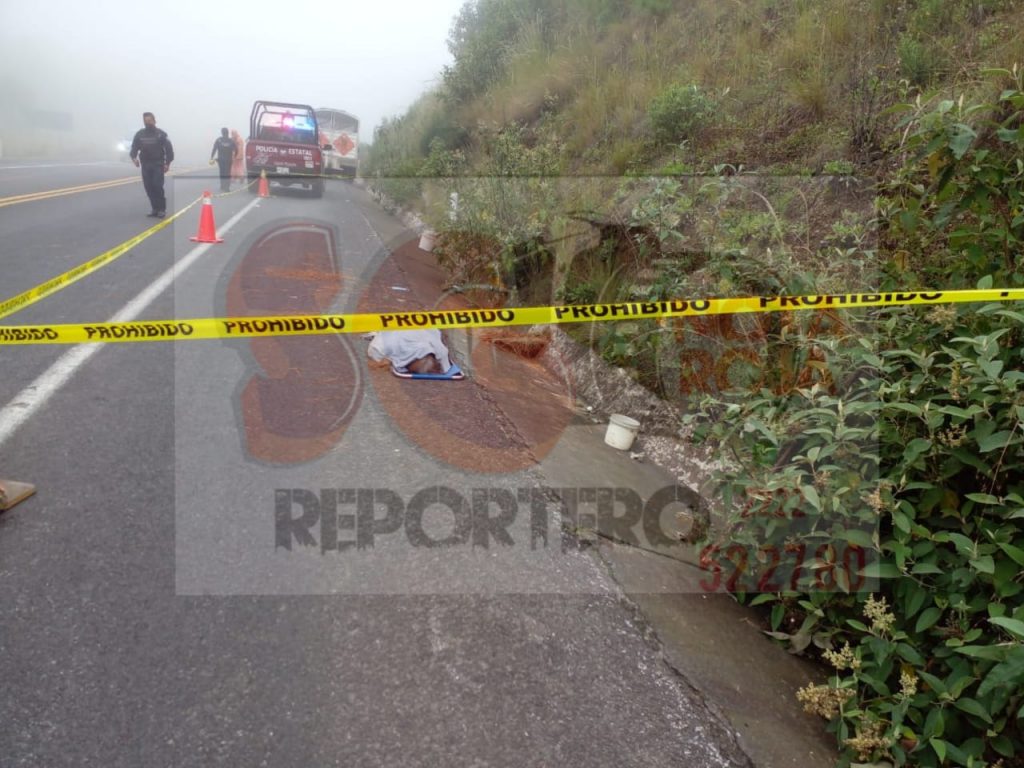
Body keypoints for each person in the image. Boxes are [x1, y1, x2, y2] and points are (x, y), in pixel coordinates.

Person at [130, 112, 174, 218]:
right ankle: (154, 209)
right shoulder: (140, 134)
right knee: (148, 187)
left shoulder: (161, 134)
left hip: (158, 164)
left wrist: (167, 163)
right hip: (145, 164)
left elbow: (169, 150)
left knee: (157, 186)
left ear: (154, 121)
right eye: (145, 121)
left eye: (149, 121)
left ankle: (161, 209)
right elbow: (134, 148)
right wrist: (134, 158)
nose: (147, 123)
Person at [366, 329, 458, 376]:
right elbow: (374, 350)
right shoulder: (386, 344)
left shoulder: (440, 351)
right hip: (398, 331)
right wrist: (389, 361)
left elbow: (445, 365)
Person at [210, 127, 237, 193]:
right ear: (228, 133)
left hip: (220, 160)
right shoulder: (231, 141)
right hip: (228, 160)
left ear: (222, 133)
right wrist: (234, 156)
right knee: (227, 173)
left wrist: (212, 157)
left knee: (222, 172)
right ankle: (227, 187)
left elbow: (214, 149)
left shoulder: (219, 140)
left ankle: (222, 186)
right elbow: (236, 150)